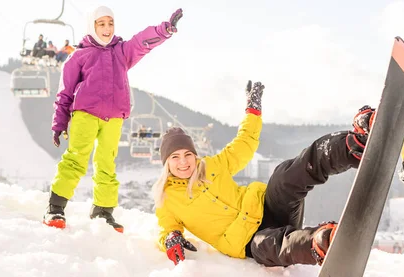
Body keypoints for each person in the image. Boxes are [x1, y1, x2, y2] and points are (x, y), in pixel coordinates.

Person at [152, 80, 373, 267]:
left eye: (187, 154)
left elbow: (244, 144)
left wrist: (252, 111)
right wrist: (171, 238)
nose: (183, 162)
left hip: (265, 206)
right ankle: (321, 241)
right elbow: (166, 228)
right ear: (166, 163)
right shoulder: (167, 199)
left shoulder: (211, 166)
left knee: (283, 176)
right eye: (175, 157)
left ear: (194, 155)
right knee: (271, 246)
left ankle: (351, 146)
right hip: (246, 240)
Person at [43, 6, 185, 233]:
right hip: (85, 115)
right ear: (92, 26)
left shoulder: (122, 52)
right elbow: (65, 93)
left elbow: (141, 42)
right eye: (101, 24)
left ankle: (103, 211)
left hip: (113, 118)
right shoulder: (79, 56)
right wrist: (59, 123)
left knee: (106, 163)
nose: (107, 29)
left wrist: (164, 29)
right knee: (76, 159)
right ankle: (55, 207)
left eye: (110, 23)